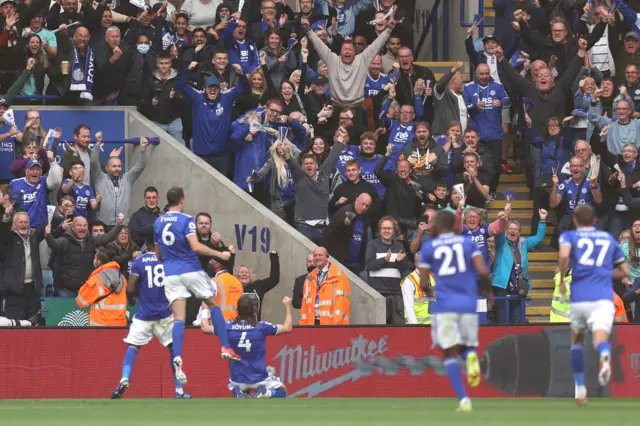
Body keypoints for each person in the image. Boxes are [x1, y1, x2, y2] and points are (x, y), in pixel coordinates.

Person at [153, 186, 236, 386]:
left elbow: (158, 254)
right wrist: (221, 254)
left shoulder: (158, 222)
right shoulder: (186, 220)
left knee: (179, 317)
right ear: (182, 200)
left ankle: (178, 355)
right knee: (213, 304)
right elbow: (196, 246)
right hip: (190, 268)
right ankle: (225, 347)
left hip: (170, 273)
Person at [419, 210, 493, 412]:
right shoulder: (468, 243)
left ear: (440, 224)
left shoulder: (429, 247)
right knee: (466, 344)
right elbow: (483, 271)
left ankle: (464, 400)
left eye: (433, 221)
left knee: (449, 352)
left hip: (445, 305)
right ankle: (470, 356)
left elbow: (424, 281)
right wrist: (489, 292)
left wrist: (428, 291)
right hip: (468, 303)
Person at [558, 204, 629, 405]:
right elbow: (624, 271)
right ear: (595, 220)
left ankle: (580, 389)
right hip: (603, 298)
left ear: (575, 220)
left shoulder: (569, 237)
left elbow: (564, 256)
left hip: (580, 297)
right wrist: (604, 274)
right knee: (600, 339)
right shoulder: (607, 239)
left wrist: (562, 279)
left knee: (578, 341)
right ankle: (604, 354)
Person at [111, 236, 191, 400]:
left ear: (144, 245)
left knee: (133, 346)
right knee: (172, 348)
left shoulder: (139, 262)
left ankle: (124, 378)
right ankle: (179, 390)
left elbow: (131, 287)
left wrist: (132, 298)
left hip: (144, 315)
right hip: (165, 314)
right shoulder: (167, 261)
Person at [200, 294, 293, 398]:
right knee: (283, 390)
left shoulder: (226, 327)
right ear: (254, 311)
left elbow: (205, 328)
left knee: (239, 385)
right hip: (259, 378)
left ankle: (238, 390)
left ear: (237, 309)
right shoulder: (262, 327)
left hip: (237, 379)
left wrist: (205, 310)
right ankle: (266, 393)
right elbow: (287, 327)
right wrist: (288, 306)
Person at [91, 134, 149, 227]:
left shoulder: (127, 178)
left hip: (122, 225)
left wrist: (143, 150)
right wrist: (98, 143)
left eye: (119, 166)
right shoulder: (100, 177)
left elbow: (139, 167)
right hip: (103, 225)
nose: (117, 168)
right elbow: (93, 161)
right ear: (106, 168)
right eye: (114, 166)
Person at [0, 205, 46, 321]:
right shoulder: (9, 238)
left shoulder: (33, 237)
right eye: (20, 222)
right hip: (14, 290)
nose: (24, 224)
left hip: (32, 289)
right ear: (14, 225)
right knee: (14, 324)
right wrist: (6, 216)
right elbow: (3, 231)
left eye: (26, 222)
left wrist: (58, 216)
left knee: (34, 322)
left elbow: (49, 229)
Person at [75, 245, 128, 327]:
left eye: (95, 258)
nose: (94, 260)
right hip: (120, 327)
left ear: (99, 262)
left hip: (99, 328)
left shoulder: (96, 279)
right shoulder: (122, 278)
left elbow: (81, 302)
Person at [299, 247, 350, 325]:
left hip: (331, 324)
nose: (317, 258)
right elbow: (304, 306)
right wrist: (303, 326)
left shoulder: (338, 276)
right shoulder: (309, 277)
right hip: (311, 323)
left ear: (327, 256)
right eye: (315, 255)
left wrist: (337, 326)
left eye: (320, 255)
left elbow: (341, 304)